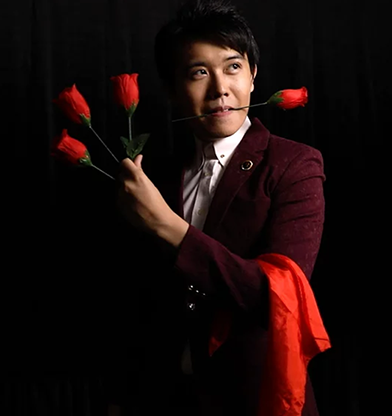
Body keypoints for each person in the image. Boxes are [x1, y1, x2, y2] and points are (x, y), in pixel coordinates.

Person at [106, 0, 328, 415]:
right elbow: (133, 302)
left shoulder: (294, 165)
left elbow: (275, 301)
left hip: (255, 398)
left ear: (253, 75)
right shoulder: (154, 176)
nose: (220, 89)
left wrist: (166, 225)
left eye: (233, 67)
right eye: (198, 73)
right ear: (172, 89)